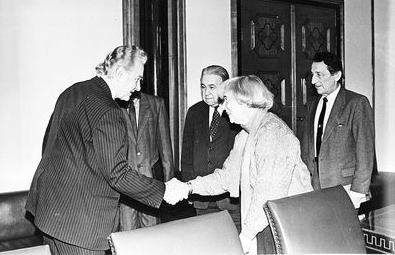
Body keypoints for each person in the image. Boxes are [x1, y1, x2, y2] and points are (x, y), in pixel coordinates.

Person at [25, 45, 186, 255]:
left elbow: (50, 143)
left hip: (50, 214)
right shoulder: (109, 111)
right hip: (81, 227)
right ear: (119, 73)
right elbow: (117, 174)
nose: (137, 87)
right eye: (136, 79)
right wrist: (163, 190)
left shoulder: (73, 91)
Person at [178, 75, 313, 255]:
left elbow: (269, 192)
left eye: (227, 100)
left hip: (287, 227)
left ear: (246, 101)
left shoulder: (272, 132)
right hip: (266, 222)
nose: (223, 107)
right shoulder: (245, 135)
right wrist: (188, 187)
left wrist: (247, 235)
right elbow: (225, 178)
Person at [301, 51, 375, 209]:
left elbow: (365, 152)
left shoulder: (356, 103)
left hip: (346, 190)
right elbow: (307, 148)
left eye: (319, 74)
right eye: (312, 74)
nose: (313, 80)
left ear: (336, 75)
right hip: (315, 189)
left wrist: (357, 194)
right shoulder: (312, 105)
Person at [181, 65, 241, 231]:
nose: (206, 92)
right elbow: (186, 154)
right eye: (203, 86)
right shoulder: (194, 112)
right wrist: (190, 187)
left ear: (225, 86)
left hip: (230, 199)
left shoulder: (235, 112)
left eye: (212, 87)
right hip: (202, 199)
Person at [116, 91, 174, 230]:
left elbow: (165, 148)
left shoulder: (156, 104)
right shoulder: (114, 104)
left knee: (152, 234)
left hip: (151, 183)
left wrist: (169, 185)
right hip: (125, 185)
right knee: (127, 235)